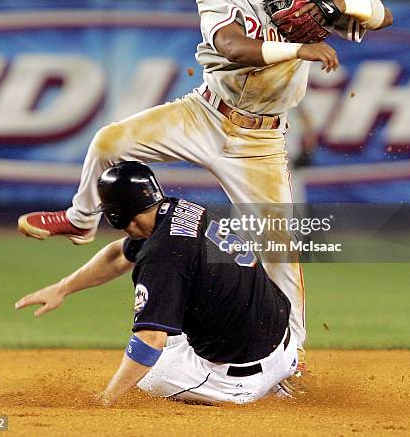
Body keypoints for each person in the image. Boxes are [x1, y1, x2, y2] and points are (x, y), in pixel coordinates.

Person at [17, 0, 393, 369]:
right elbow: (234, 48)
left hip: (260, 142)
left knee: (280, 251)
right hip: (205, 113)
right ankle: (81, 220)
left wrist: (344, 5)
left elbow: (383, 15)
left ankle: (291, 359)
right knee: (109, 141)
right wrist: (298, 48)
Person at [15, 162, 299, 405]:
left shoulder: (160, 258)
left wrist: (106, 399)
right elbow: (118, 256)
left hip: (237, 380)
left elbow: (149, 342)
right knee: (171, 311)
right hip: (283, 347)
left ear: (115, 216)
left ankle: (253, 389)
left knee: (147, 374)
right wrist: (62, 288)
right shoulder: (179, 210)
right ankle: (279, 378)